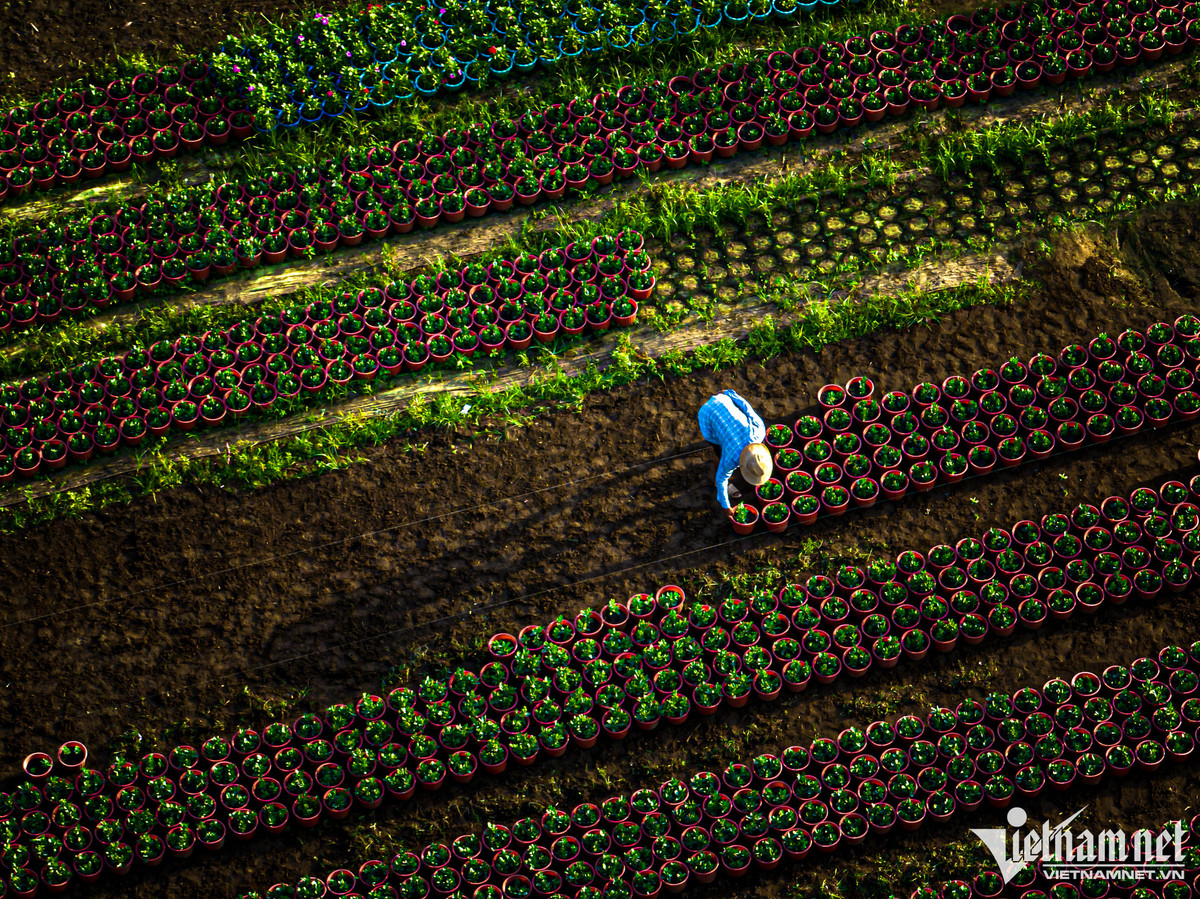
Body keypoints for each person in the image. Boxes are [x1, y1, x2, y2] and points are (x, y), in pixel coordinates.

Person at [697, 389, 772, 510]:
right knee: (719, 451)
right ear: (741, 466)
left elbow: (746, 407)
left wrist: (730, 394)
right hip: (707, 413)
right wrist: (726, 507)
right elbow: (721, 479)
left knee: (725, 438)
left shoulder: (759, 431)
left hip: (723, 400)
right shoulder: (730, 459)